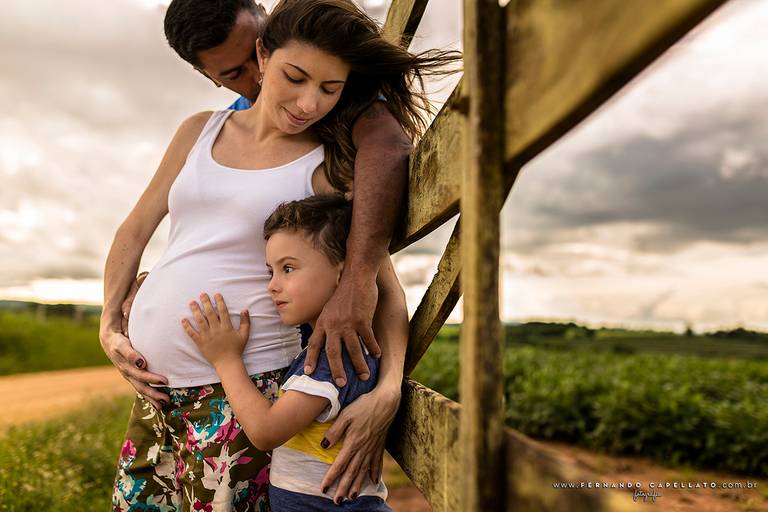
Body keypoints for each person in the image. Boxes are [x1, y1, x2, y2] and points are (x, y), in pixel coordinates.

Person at [101, 0, 459, 509]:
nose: (309, 103)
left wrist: (389, 389)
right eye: (294, 78)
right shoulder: (198, 130)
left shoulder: (329, 165)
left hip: (243, 398)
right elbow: (134, 229)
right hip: (158, 400)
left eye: (327, 89)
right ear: (267, 59)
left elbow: (378, 286)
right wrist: (108, 323)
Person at [184, 194, 391, 510]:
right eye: (271, 271)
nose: (272, 285)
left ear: (344, 273)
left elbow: (266, 432)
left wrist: (225, 360)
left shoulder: (335, 354)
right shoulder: (320, 346)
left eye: (288, 269)